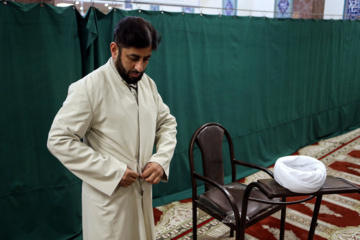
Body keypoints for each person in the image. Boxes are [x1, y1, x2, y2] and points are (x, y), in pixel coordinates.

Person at [47, 16, 177, 240]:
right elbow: (59, 139)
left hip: (142, 195)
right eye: (133, 58)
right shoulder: (89, 88)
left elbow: (166, 123)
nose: (140, 67)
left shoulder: (148, 84)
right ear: (115, 49)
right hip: (109, 202)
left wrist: (161, 159)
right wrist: (112, 172)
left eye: (146, 59)